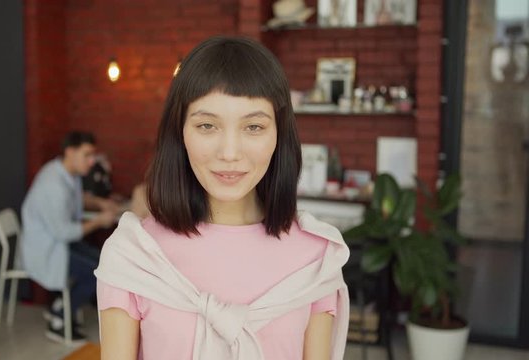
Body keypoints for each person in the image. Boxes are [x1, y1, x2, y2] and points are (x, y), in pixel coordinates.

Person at [94, 37, 350, 359]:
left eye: (254, 127)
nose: (229, 153)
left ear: (279, 135)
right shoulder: (134, 255)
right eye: (206, 125)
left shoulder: (316, 257)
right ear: (180, 133)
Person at [20, 131, 119, 343]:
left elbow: (77, 200)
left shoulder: (66, 174)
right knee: (98, 272)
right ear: (70, 152)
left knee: (103, 260)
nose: (92, 161)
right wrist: (99, 221)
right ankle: (59, 318)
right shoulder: (53, 184)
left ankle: (61, 307)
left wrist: (101, 204)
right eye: (87, 155)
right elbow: (63, 231)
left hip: (59, 243)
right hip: (47, 249)